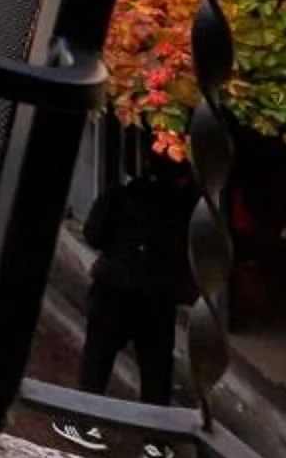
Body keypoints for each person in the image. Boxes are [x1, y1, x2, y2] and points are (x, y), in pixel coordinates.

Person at [79, 152, 197, 405]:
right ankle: (153, 428)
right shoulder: (187, 210)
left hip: (114, 289)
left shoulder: (120, 196)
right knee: (156, 372)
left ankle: (82, 418)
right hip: (157, 297)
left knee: (97, 363)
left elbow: (93, 235)